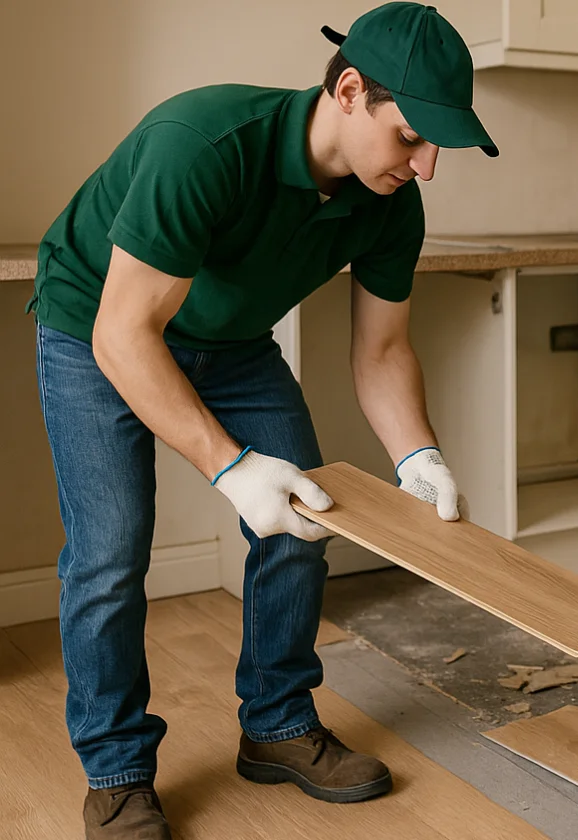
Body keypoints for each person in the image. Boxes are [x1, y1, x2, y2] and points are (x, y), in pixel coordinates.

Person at [27, 3, 498, 837]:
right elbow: (124, 334)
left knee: (308, 520)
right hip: (97, 329)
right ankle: (117, 770)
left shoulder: (389, 200)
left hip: (233, 343)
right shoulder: (203, 143)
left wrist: (417, 455)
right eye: (412, 137)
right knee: (108, 556)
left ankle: (278, 725)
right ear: (349, 90)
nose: (427, 166)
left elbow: (383, 350)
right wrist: (230, 465)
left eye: (441, 147)